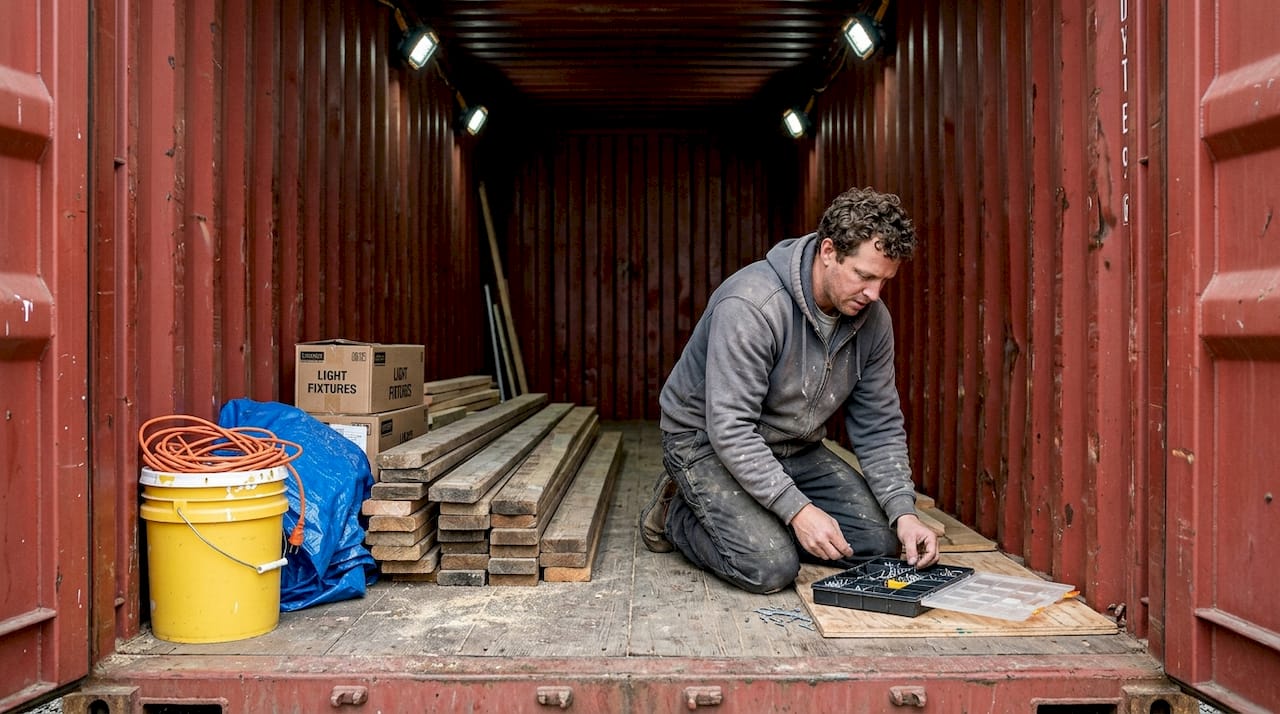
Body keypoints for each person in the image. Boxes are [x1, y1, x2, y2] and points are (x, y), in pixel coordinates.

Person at [640, 186, 939, 594]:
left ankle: (758, 514)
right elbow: (730, 428)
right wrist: (798, 511)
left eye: (884, 280)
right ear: (829, 251)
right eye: (864, 276)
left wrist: (904, 512)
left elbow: (879, 425)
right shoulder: (752, 304)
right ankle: (678, 512)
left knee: (880, 544)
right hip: (707, 444)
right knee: (769, 566)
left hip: (795, 447)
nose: (874, 294)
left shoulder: (873, 320)